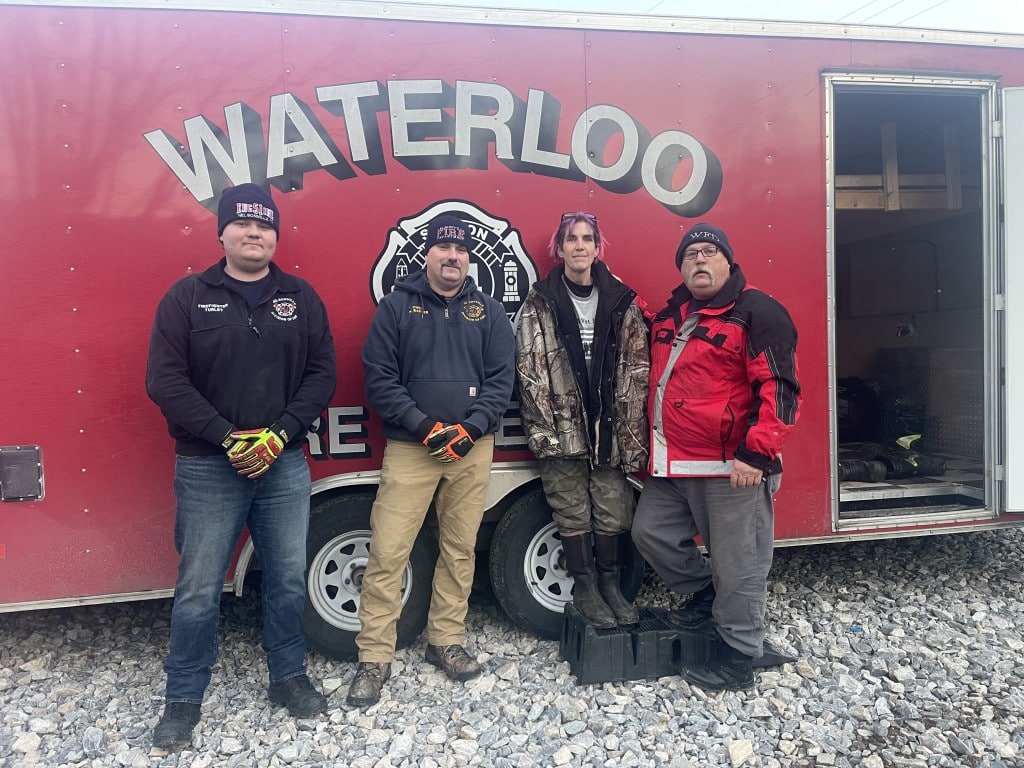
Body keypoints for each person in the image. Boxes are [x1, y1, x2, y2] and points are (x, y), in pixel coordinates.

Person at [146, 183, 337, 750]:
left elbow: (321, 375)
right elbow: (165, 381)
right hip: (209, 467)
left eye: (266, 226)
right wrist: (228, 438)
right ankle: (182, 698)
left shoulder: (300, 297)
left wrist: (278, 435)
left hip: (282, 465)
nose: (255, 234)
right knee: (199, 588)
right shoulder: (187, 296)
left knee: (284, 579)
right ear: (222, 233)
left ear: (276, 235)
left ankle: (287, 677)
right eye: (244, 225)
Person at [347, 213, 515, 707]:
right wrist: (425, 427)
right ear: (427, 255)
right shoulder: (396, 308)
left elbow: (501, 379)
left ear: (469, 258)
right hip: (412, 448)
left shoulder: (489, 311)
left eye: (460, 250)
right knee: (388, 552)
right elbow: (379, 378)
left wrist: (470, 428)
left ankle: (446, 641)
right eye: (443, 248)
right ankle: (374, 657)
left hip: (470, 447)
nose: (452, 256)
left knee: (460, 550)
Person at [631, 222, 801, 692]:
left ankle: (739, 658)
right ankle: (705, 596)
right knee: (650, 534)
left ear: (728, 260)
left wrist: (757, 453)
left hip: (733, 469)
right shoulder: (672, 314)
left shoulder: (759, 312)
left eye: (708, 252)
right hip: (675, 464)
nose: (699, 261)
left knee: (738, 565)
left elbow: (781, 389)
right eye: (689, 255)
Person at [515, 211, 649, 628]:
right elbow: (529, 371)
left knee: (612, 507)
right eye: (571, 239)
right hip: (562, 428)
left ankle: (611, 585)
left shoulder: (621, 299)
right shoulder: (541, 300)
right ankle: (586, 587)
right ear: (559, 248)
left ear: (597, 247)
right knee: (571, 509)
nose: (579, 246)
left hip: (608, 428)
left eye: (587, 238)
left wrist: (630, 431)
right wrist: (544, 430)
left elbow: (636, 368)